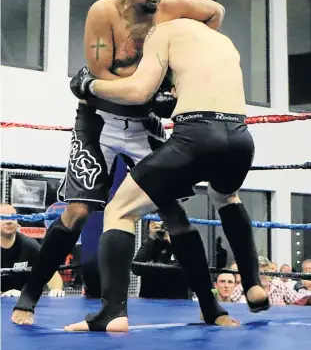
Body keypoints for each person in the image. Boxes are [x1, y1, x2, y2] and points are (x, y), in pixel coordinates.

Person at [12, 0, 225, 326]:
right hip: (100, 122)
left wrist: (185, 66)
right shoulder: (104, 13)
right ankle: (29, 297)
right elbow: (101, 75)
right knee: (76, 213)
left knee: (174, 213)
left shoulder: (173, 8)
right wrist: (152, 90)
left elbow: (214, 13)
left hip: (145, 125)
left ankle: (211, 307)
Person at [63, 17, 269, 333]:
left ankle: (112, 312)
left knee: (119, 209)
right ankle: (253, 285)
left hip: (196, 136)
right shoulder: (221, 41)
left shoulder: (163, 30)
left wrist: (89, 84)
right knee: (225, 195)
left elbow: (138, 91)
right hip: (241, 138)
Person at [0, 204, 64, 298]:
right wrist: (4, 294)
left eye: (13, 217)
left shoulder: (30, 246)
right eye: (3, 218)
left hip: (22, 303)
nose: (9, 221)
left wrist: (56, 288)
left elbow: (49, 270)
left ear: (18, 222)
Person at [132, 221, 189, 299]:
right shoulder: (150, 245)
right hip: (150, 302)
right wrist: (151, 238)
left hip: (177, 303)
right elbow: (136, 269)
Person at [231, 256, 298, 305]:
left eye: (266, 272)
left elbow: (299, 302)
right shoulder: (242, 287)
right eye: (259, 272)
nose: (263, 275)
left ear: (270, 272)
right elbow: (229, 304)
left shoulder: (280, 286)